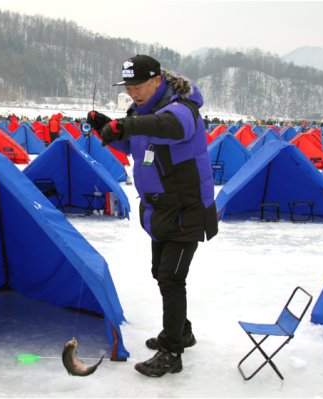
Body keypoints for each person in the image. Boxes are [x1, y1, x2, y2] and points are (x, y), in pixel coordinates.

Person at [87, 55, 218, 378]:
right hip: (160, 210)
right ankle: (181, 331)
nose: (134, 93)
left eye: (139, 85)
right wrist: (107, 129)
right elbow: (134, 149)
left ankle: (172, 351)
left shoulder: (182, 108)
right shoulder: (141, 113)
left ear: (157, 80)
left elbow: (170, 127)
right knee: (160, 272)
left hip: (187, 209)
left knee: (172, 278)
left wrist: (128, 125)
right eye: (129, 87)